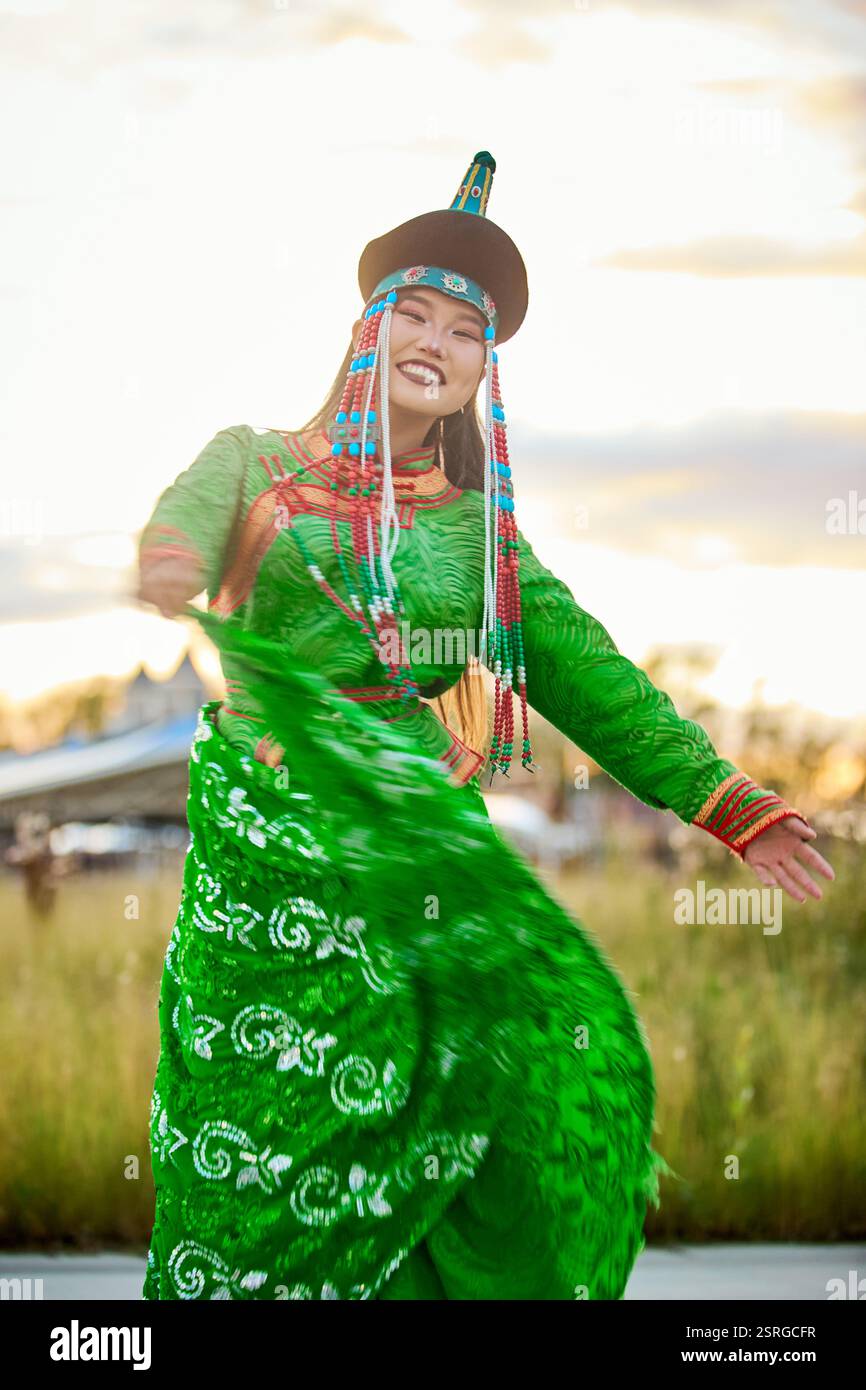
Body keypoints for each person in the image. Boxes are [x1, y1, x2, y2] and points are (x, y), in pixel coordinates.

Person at [136, 152, 833, 1301]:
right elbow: (187, 518)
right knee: (255, 1142)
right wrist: (172, 562)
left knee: (452, 1125)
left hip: (413, 858)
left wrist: (726, 802)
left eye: (467, 333)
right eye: (412, 312)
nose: (438, 342)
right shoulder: (251, 463)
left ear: (481, 374)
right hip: (264, 864)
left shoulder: (482, 540)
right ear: (366, 331)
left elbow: (588, 673)